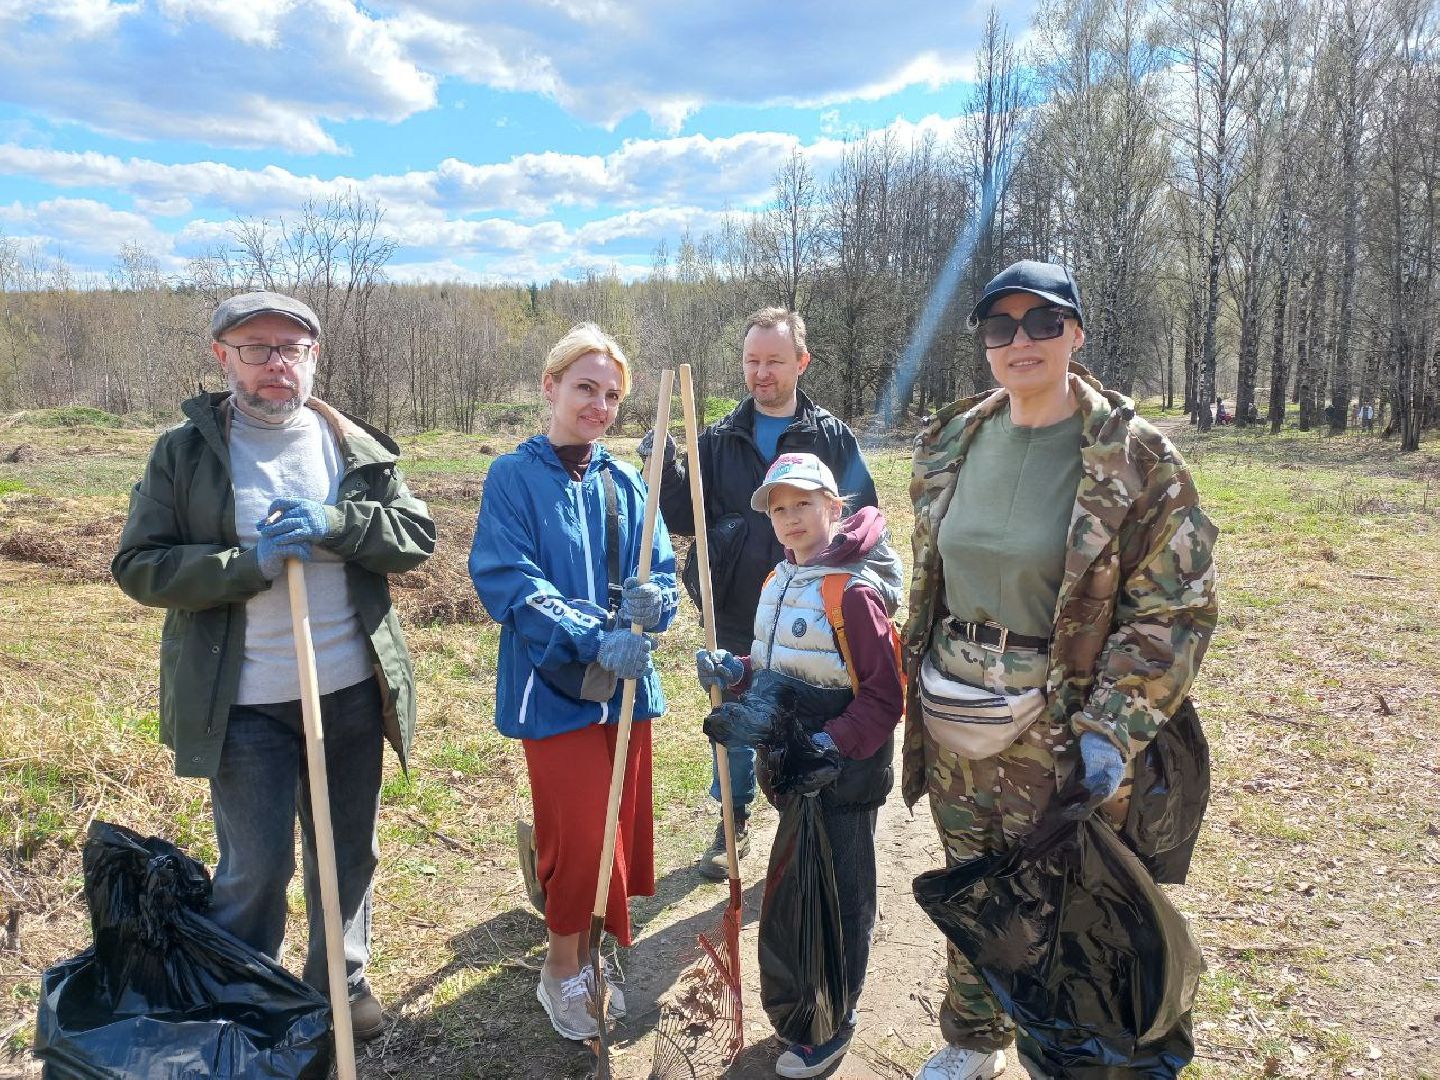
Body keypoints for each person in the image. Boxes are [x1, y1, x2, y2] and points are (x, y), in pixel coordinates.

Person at [901, 261, 1218, 1080]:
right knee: (977, 884)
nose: (1021, 341)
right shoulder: (953, 439)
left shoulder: (1136, 457)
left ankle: (1063, 1053)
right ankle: (974, 1037)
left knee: (1063, 902)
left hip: (1063, 723)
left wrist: (1111, 730)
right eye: (1001, 326)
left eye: (1043, 322)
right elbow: (931, 579)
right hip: (956, 713)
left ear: (1076, 332)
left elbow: (1172, 610)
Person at [111, 291, 437, 1041]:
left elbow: (416, 536)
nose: (274, 364)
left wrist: (339, 523)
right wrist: (245, 563)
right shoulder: (186, 452)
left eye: (290, 349)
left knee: (347, 852)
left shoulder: (350, 444)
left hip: (351, 690)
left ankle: (339, 984)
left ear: (313, 358)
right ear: (222, 357)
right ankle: (244, 995)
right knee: (256, 866)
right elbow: (139, 566)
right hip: (246, 701)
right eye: (255, 348)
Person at [468, 323, 679, 1042]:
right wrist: (596, 635)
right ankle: (561, 968)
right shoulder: (513, 476)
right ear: (550, 386)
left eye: (612, 394)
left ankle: (594, 955)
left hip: (628, 691)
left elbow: (662, 572)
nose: (599, 404)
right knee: (580, 834)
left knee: (617, 831)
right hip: (553, 690)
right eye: (586, 387)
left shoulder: (626, 480)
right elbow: (509, 580)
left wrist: (659, 606)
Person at [643, 307, 878, 880]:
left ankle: (805, 820)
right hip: (735, 607)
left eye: (774, 360)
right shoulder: (721, 439)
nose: (762, 372)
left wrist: (850, 570)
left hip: (812, 616)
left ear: (802, 362)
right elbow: (682, 514)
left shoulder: (829, 437)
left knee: (806, 711)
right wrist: (666, 467)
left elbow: (867, 510)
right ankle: (732, 820)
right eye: (752, 361)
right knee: (734, 719)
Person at [696, 452, 904, 1079]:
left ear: (833, 509)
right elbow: (777, 667)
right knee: (801, 888)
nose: (790, 519)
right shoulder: (775, 582)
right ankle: (811, 1003)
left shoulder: (852, 593)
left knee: (843, 895)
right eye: (779, 509)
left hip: (843, 774)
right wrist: (737, 675)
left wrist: (832, 745)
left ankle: (835, 1021)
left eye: (803, 505)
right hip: (793, 774)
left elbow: (883, 696)